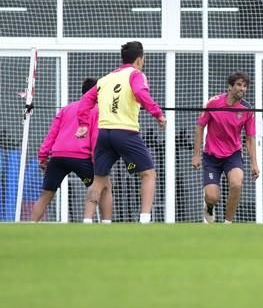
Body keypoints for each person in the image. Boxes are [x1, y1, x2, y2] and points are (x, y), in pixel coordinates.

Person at [76, 41, 166, 224]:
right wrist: (158, 114)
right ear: (140, 59)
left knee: (99, 179)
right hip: (125, 133)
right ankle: (145, 220)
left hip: (104, 134)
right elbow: (141, 93)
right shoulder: (136, 74)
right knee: (148, 174)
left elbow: (85, 100)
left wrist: (84, 123)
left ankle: (86, 221)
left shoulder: (105, 79)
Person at [32, 78, 112, 223]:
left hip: (58, 158)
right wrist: (97, 161)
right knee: (104, 186)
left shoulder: (66, 109)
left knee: (46, 194)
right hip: (81, 158)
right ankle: (105, 223)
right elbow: (95, 137)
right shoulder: (97, 110)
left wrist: (43, 156)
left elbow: (52, 134)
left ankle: (31, 225)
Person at [192, 72, 260, 224]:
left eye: (245, 86)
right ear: (230, 87)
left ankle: (228, 223)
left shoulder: (247, 109)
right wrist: (196, 155)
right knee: (212, 196)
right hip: (211, 156)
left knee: (236, 184)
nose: (242, 89)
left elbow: (250, 138)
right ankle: (209, 206)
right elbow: (200, 127)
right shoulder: (213, 103)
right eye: (239, 85)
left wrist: (254, 162)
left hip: (233, 155)